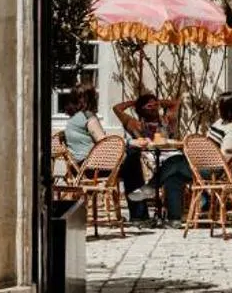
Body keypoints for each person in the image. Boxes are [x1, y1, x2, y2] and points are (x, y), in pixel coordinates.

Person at [113, 92, 183, 223]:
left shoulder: (166, 121)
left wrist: (158, 102)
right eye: (149, 106)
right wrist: (136, 103)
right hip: (148, 157)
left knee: (176, 164)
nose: (153, 108)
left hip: (170, 153)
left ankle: (154, 193)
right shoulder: (136, 124)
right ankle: (147, 210)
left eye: (155, 105)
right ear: (141, 109)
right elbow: (117, 108)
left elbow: (175, 104)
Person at [62, 87, 105, 162]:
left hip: (76, 161)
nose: (97, 98)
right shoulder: (88, 116)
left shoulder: (74, 116)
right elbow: (103, 142)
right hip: (91, 163)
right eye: (94, 95)